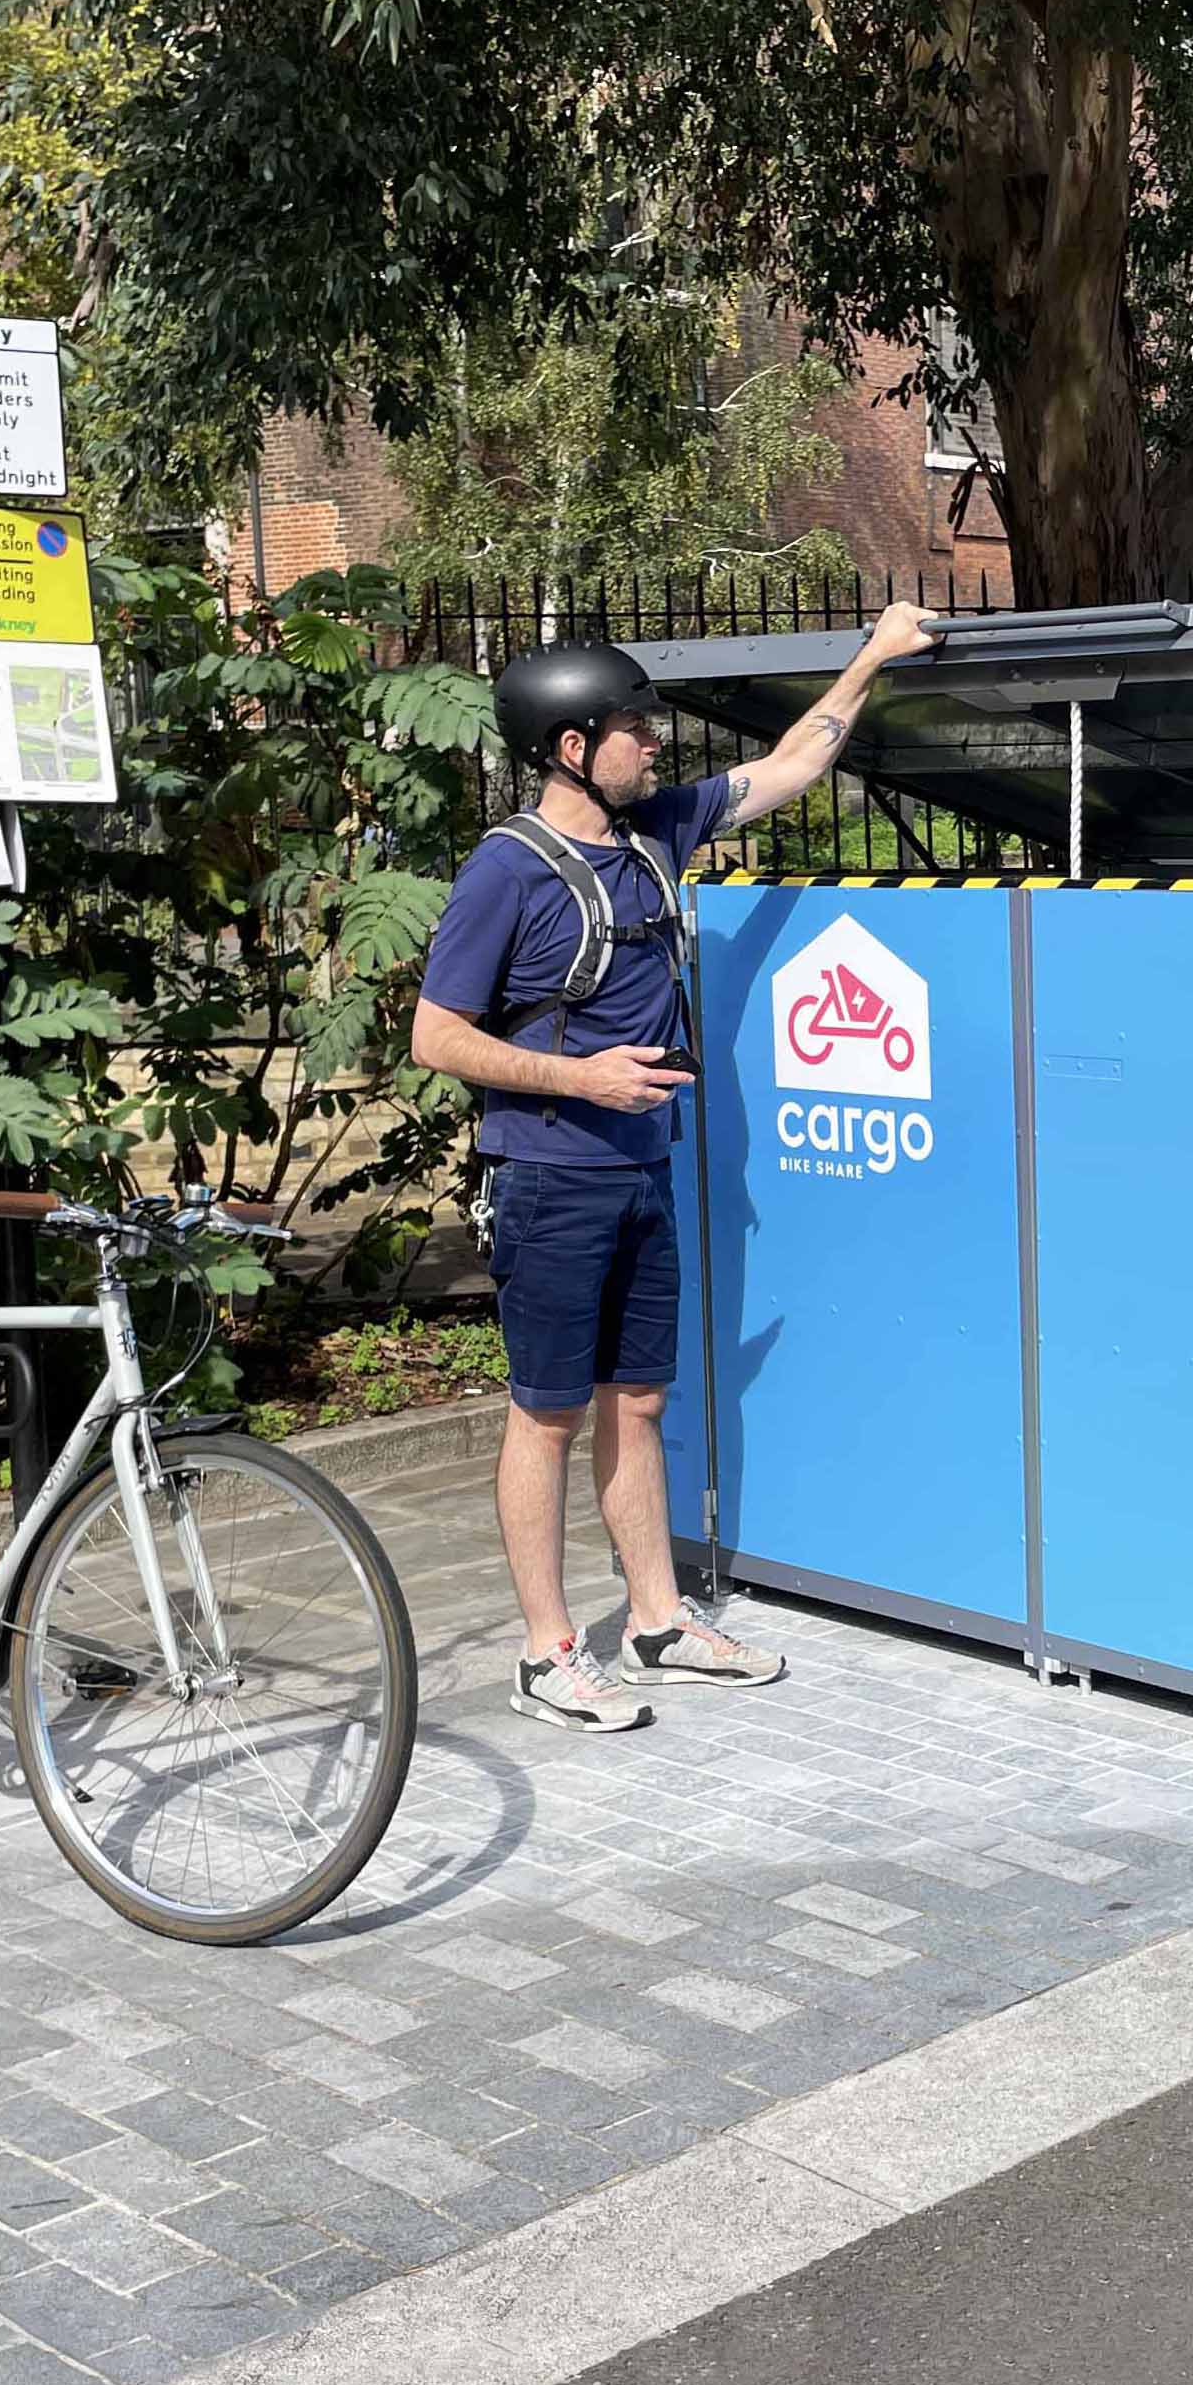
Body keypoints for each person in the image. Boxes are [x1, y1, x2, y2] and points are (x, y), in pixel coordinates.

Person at [411, 601, 935, 1732]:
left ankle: (654, 1618)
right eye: (634, 727)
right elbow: (435, 1035)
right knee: (545, 1411)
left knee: (638, 1398)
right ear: (571, 747)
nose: (656, 742)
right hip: (549, 1176)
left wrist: (874, 656)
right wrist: (582, 1079)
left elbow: (793, 766)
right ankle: (547, 1649)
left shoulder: (657, 831)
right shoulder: (504, 872)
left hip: (644, 1171)